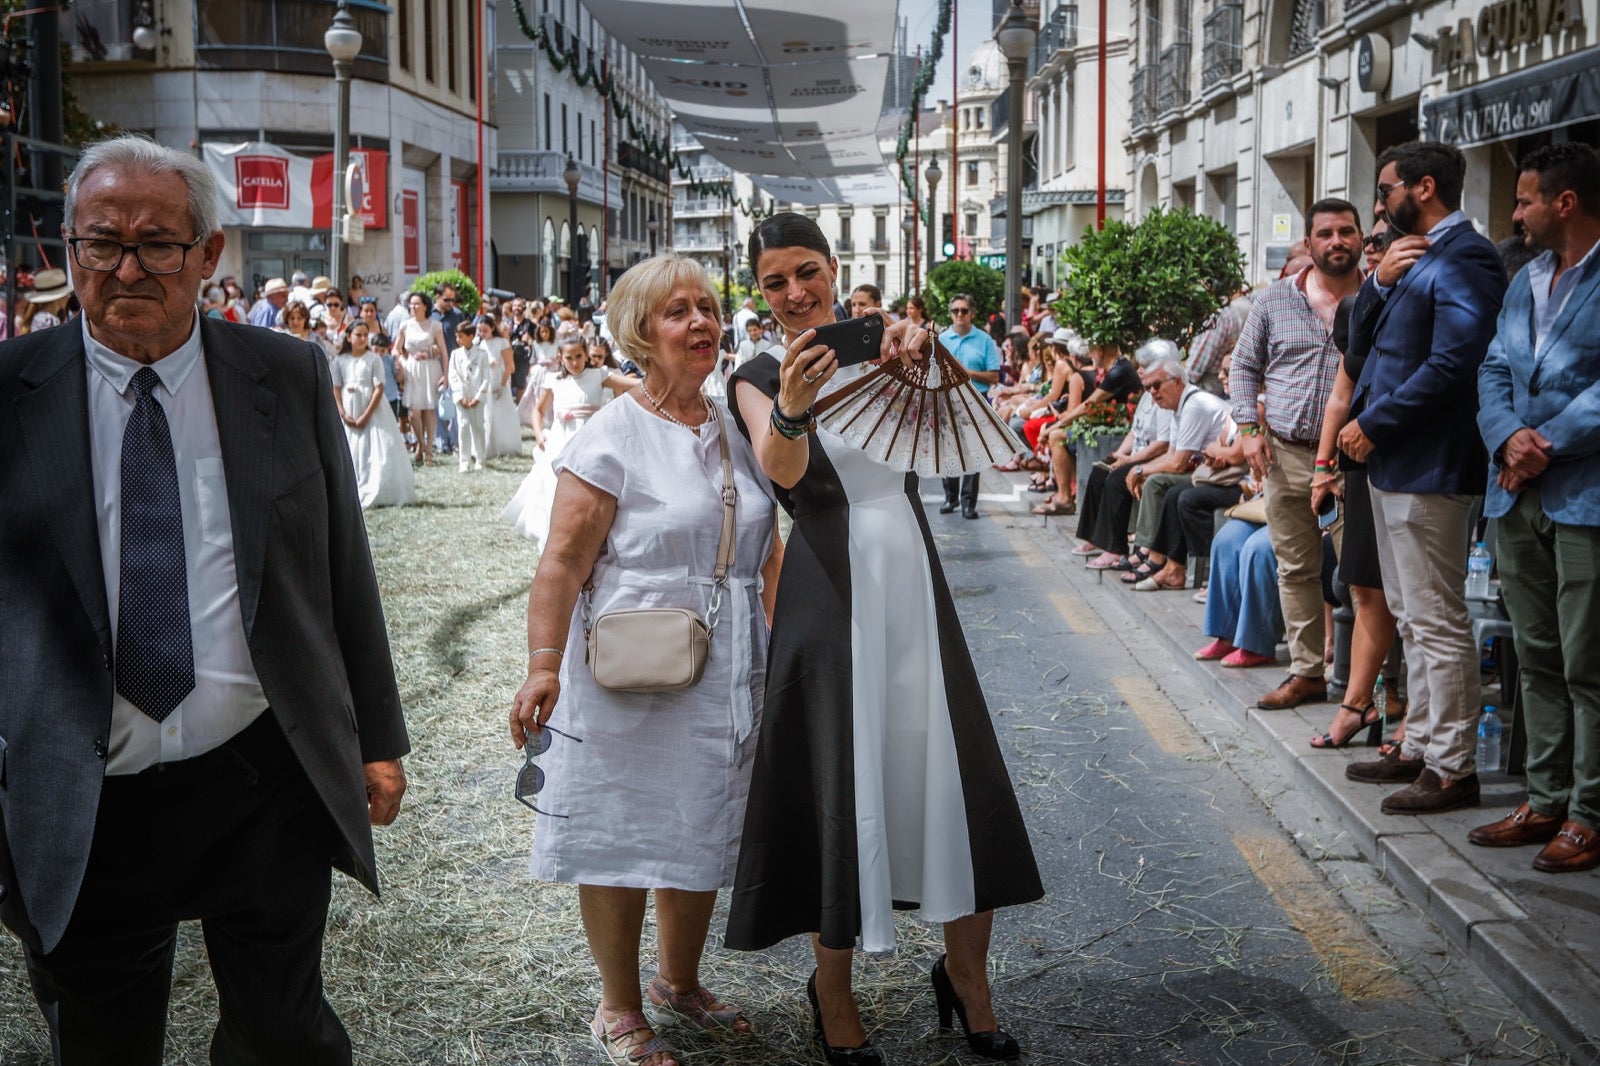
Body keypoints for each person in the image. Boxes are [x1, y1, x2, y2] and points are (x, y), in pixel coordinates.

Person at [0, 133, 408, 1064]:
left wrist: (377, 740)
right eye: (101, 243)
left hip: (259, 781)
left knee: (283, 1037)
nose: (128, 266)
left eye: (158, 243)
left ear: (210, 254)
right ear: (69, 252)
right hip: (83, 797)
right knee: (100, 1041)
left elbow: (342, 568)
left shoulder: (285, 374)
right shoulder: (10, 396)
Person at [726, 213, 1042, 1065]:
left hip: (908, 562)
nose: (795, 293)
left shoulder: (893, 342)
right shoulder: (758, 374)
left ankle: (968, 978)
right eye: (775, 282)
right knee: (842, 778)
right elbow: (781, 472)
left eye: (807, 272)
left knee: (951, 768)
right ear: (761, 295)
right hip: (826, 579)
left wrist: (925, 357)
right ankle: (832, 992)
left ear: (835, 270)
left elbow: (953, 435)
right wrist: (792, 405)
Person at [508, 254, 781, 1066]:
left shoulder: (736, 425)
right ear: (640, 334)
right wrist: (543, 663)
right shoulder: (611, 434)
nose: (701, 323)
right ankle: (618, 1006)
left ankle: (679, 980)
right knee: (623, 830)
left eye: (707, 307)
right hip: (632, 663)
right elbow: (560, 561)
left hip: (730, 661)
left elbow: (767, 552)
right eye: (677, 313)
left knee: (704, 819)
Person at [1341, 141, 1509, 814]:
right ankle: (1418, 744)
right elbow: (1363, 344)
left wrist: (1375, 422)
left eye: (1387, 190)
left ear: (1425, 186)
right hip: (1394, 464)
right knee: (1411, 615)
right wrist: (1380, 283)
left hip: (1430, 464)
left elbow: (1455, 364)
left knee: (1436, 620)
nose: (1379, 205)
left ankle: (1451, 768)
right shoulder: (1414, 255)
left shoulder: (1467, 256)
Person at [1470, 142, 1600, 871]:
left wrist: (1540, 441)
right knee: (1538, 658)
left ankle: (1590, 812)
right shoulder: (1525, 281)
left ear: (1565, 202)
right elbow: (1493, 367)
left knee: (1589, 663)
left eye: (1523, 201)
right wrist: (1505, 437)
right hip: (1514, 492)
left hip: (1583, 494)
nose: (1514, 214)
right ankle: (1546, 797)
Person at [1230, 198, 1365, 712]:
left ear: (1359, 238)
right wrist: (1248, 429)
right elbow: (1244, 368)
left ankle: (1369, 683)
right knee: (1296, 568)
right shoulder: (1273, 302)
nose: (1337, 242)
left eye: (1346, 232)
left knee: (1360, 573)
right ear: (1308, 245)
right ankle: (1307, 671)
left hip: (1353, 461)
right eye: (1326, 234)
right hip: (1285, 456)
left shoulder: (1378, 297)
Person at [1309, 219, 1405, 750]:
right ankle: (1361, 704)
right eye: (1370, 240)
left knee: (1408, 595)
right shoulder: (1359, 305)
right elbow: (1342, 390)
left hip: (1410, 461)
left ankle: (1399, 707)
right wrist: (1324, 466)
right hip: (1358, 464)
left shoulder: (1424, 297)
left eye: (1379, 239)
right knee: (1364, 585)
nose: (1371, 249)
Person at [502, 337, 638, 546]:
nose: (575, 362)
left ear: (586, 355)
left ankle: (585, 533)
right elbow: (537, 410)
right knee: (554, 486)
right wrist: (539, 435)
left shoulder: (598, 375)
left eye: (579, 356)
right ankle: (554, 535)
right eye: (569, 358)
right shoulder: (554, 380)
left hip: (589, 439)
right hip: (560, 440)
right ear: (560, 358)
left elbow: (634, 383)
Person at [1119, 358, 1233, 587]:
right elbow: (1173, 455)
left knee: (1164, 486)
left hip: (1224, 475)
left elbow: (1178, 463)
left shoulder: (1194, 405)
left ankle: (1156, 555)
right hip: (1209, 471)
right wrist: (1137, 468)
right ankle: (1153, 553)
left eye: (1157, 385)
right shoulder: (1177, 407)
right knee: (1151, 482)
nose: (1152, 392)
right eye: (1148, 387)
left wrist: (1140, 469)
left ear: (1177, 382)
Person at [1031, 338, 1142, 516]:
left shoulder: (1119, 371)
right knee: (1058, 435)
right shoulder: (1117, 368)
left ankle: (1065, 498)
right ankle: (1067, 493)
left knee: (1056, 436)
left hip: (1124, 432)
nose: (1088, 355)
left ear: (1099, 351)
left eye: (1091, 351)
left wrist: (1054, 427)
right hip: (1114, 426)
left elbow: (1089, 405)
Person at [334, 321, 415, 507]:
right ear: (349, 337)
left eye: (365, 335)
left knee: (375, 448)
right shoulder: (340, 360)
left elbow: (379, 388)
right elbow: (336, 387)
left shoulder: (373, 359)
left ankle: (377, 488)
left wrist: (365, 415)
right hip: (349, 407)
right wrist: (342, 412)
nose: (363, 339)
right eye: (358, 335)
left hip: (370, 407)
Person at [938, 292, 1003, 518]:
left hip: (976, 400)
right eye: (955, 311)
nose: (959, 315)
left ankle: (968, 503)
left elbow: (994, 376)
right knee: (949, 450)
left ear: (972, 314)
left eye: (964, 311)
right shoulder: (942, 339)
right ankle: (950, 497)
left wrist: (967, 373)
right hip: (947, 400)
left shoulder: (985, 340)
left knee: (974, 451)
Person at [395, 291, 450, 466]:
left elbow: (443, 351)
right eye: (411, 304)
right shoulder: (405, 325)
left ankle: (428, 451)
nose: (413, 307)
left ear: (425, 306)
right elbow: (396, 349)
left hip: (430, 368)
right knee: (414, 412)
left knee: (428, 410)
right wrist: (403, 361)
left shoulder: (435, 325)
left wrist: (446, 375)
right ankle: (421, 442)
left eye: (417, 303)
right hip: (412, 368)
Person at [449, 321, 494, 471]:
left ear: (470, 336)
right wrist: (460, 396)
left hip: (476, 396)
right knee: (463, 427)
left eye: (460, 336)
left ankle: (480, 459)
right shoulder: (455, 354)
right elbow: (453, 376)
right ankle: (464, 460)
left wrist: (478, 397)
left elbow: (486, 377)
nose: (457, 340)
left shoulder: (482, 355)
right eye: (456, 337)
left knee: (478, 427)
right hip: (462, 396)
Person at [476, 312, 522, 458]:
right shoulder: (478, 343)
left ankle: (505, 445)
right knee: (486, 414)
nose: (482, 333)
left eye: (485, 330)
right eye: (480, 330)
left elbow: (509, 366)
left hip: (499, 381)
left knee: (502, 414)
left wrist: (502, 385)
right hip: (484, 382)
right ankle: (487, 446)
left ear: (492, 328)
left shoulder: (501, 343)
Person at [21, 268, 73, 332]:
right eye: (65, 294)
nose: (68, 297)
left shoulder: (46, 318)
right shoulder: (46, 320)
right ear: (58, 298)